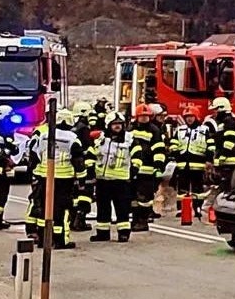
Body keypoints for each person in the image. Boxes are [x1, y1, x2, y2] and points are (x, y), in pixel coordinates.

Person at [28, 109, 84, 249]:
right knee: (62, 211)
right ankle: (60, 241)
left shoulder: (44, 135)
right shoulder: (72, 138)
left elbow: (34, 154)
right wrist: (82, 180)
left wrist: (34, 172)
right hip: (64, 179)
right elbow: (78, 161)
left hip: (44, 176)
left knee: (44, 209)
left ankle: (43, 239)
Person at [86, 112, 134, 242]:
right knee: (103, 208)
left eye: (120, 124)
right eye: (115, 124)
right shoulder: (101, 139)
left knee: (122, 208)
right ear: (109, 125)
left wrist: (134, 172)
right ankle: (103, 233)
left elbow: (137, 155)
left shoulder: (130, 139)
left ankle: (123, 233)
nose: (118, 126)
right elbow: (91, 153)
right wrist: (90, 169)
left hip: (121, 180)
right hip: (103, 180)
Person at [129, 104, 166, 232]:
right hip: (133, 168)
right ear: (137, 117)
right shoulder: (130, 129)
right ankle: (135, 219)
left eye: (146, 116)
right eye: (142, 116)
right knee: (133, 197)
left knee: (145, 198)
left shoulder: (154, 130)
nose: (144, 118)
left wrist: (158, 167)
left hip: (147, 168)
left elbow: (159, 151)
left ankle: (143, 221)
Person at [172, 104, 209, 219]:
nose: (189, 119)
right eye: (187, 116)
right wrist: (175, 154)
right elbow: (174, 143)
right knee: (182, 189)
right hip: (183, 164)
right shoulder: (180, 130)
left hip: (198, 164)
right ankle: (182, 209)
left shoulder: (204, 130)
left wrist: (208, 159)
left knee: (198, 189)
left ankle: (197, 208)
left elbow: (211, 145)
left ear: (196, 117)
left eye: (191, 116)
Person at [206, 97, 235, 191]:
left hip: (230, 161)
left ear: (221, 109)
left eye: (215, 110)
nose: (213, 113)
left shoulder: (229, 122)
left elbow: (229, 141)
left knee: (227, 188)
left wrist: (222, 155)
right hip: (227, 160)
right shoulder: (225, 121)